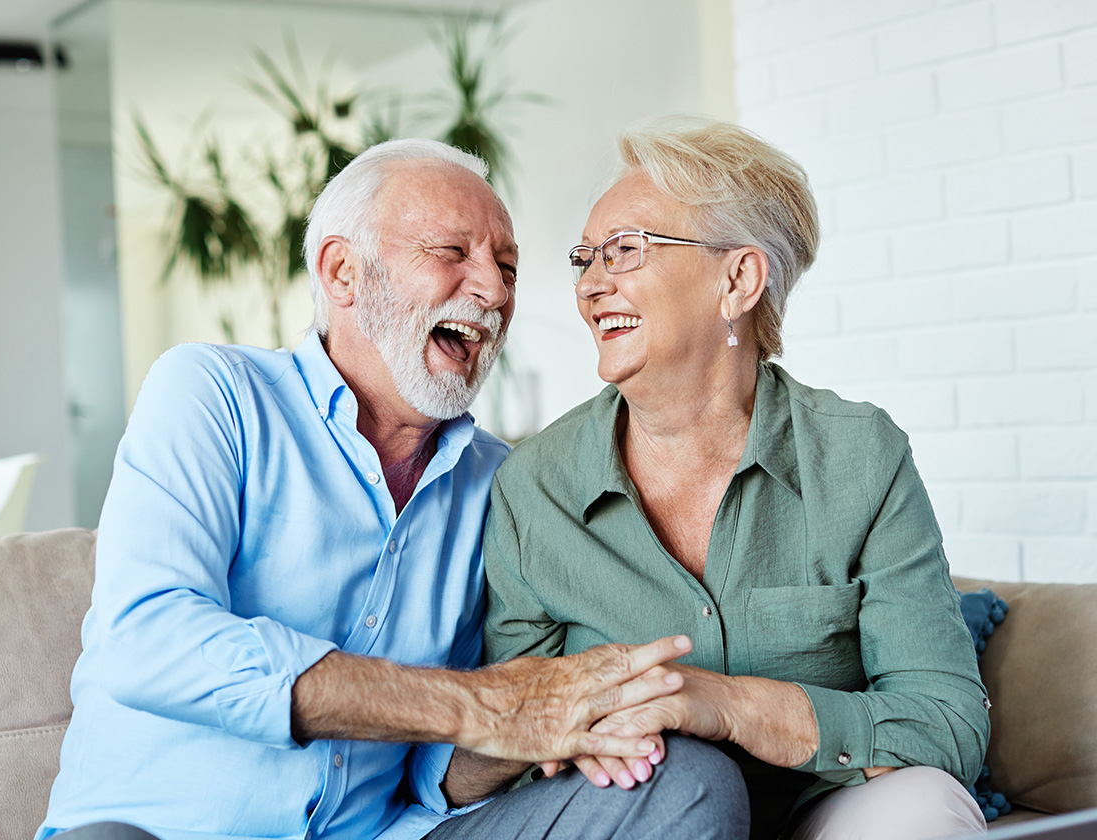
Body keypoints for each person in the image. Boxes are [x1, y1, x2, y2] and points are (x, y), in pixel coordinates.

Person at [36, 139, 734, 840]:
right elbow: (149, 639)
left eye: (508, 266)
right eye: (452, 253)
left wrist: (553, 722)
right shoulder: (213, 394)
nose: (493, 291)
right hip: (153, 833)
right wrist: (476, 706)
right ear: (343, 272)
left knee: (687, 785)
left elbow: (437, 774)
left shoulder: (499, 481)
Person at [480, 117, 991, 840]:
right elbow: (515, 739)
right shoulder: (536, 488)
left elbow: (947, 720)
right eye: (585, 258)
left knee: (923, 811)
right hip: (642, 809)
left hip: (823, 807)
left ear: (738, 279)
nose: (591, 285)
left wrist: (732, 704)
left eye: (625, 250)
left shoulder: (859, 457)